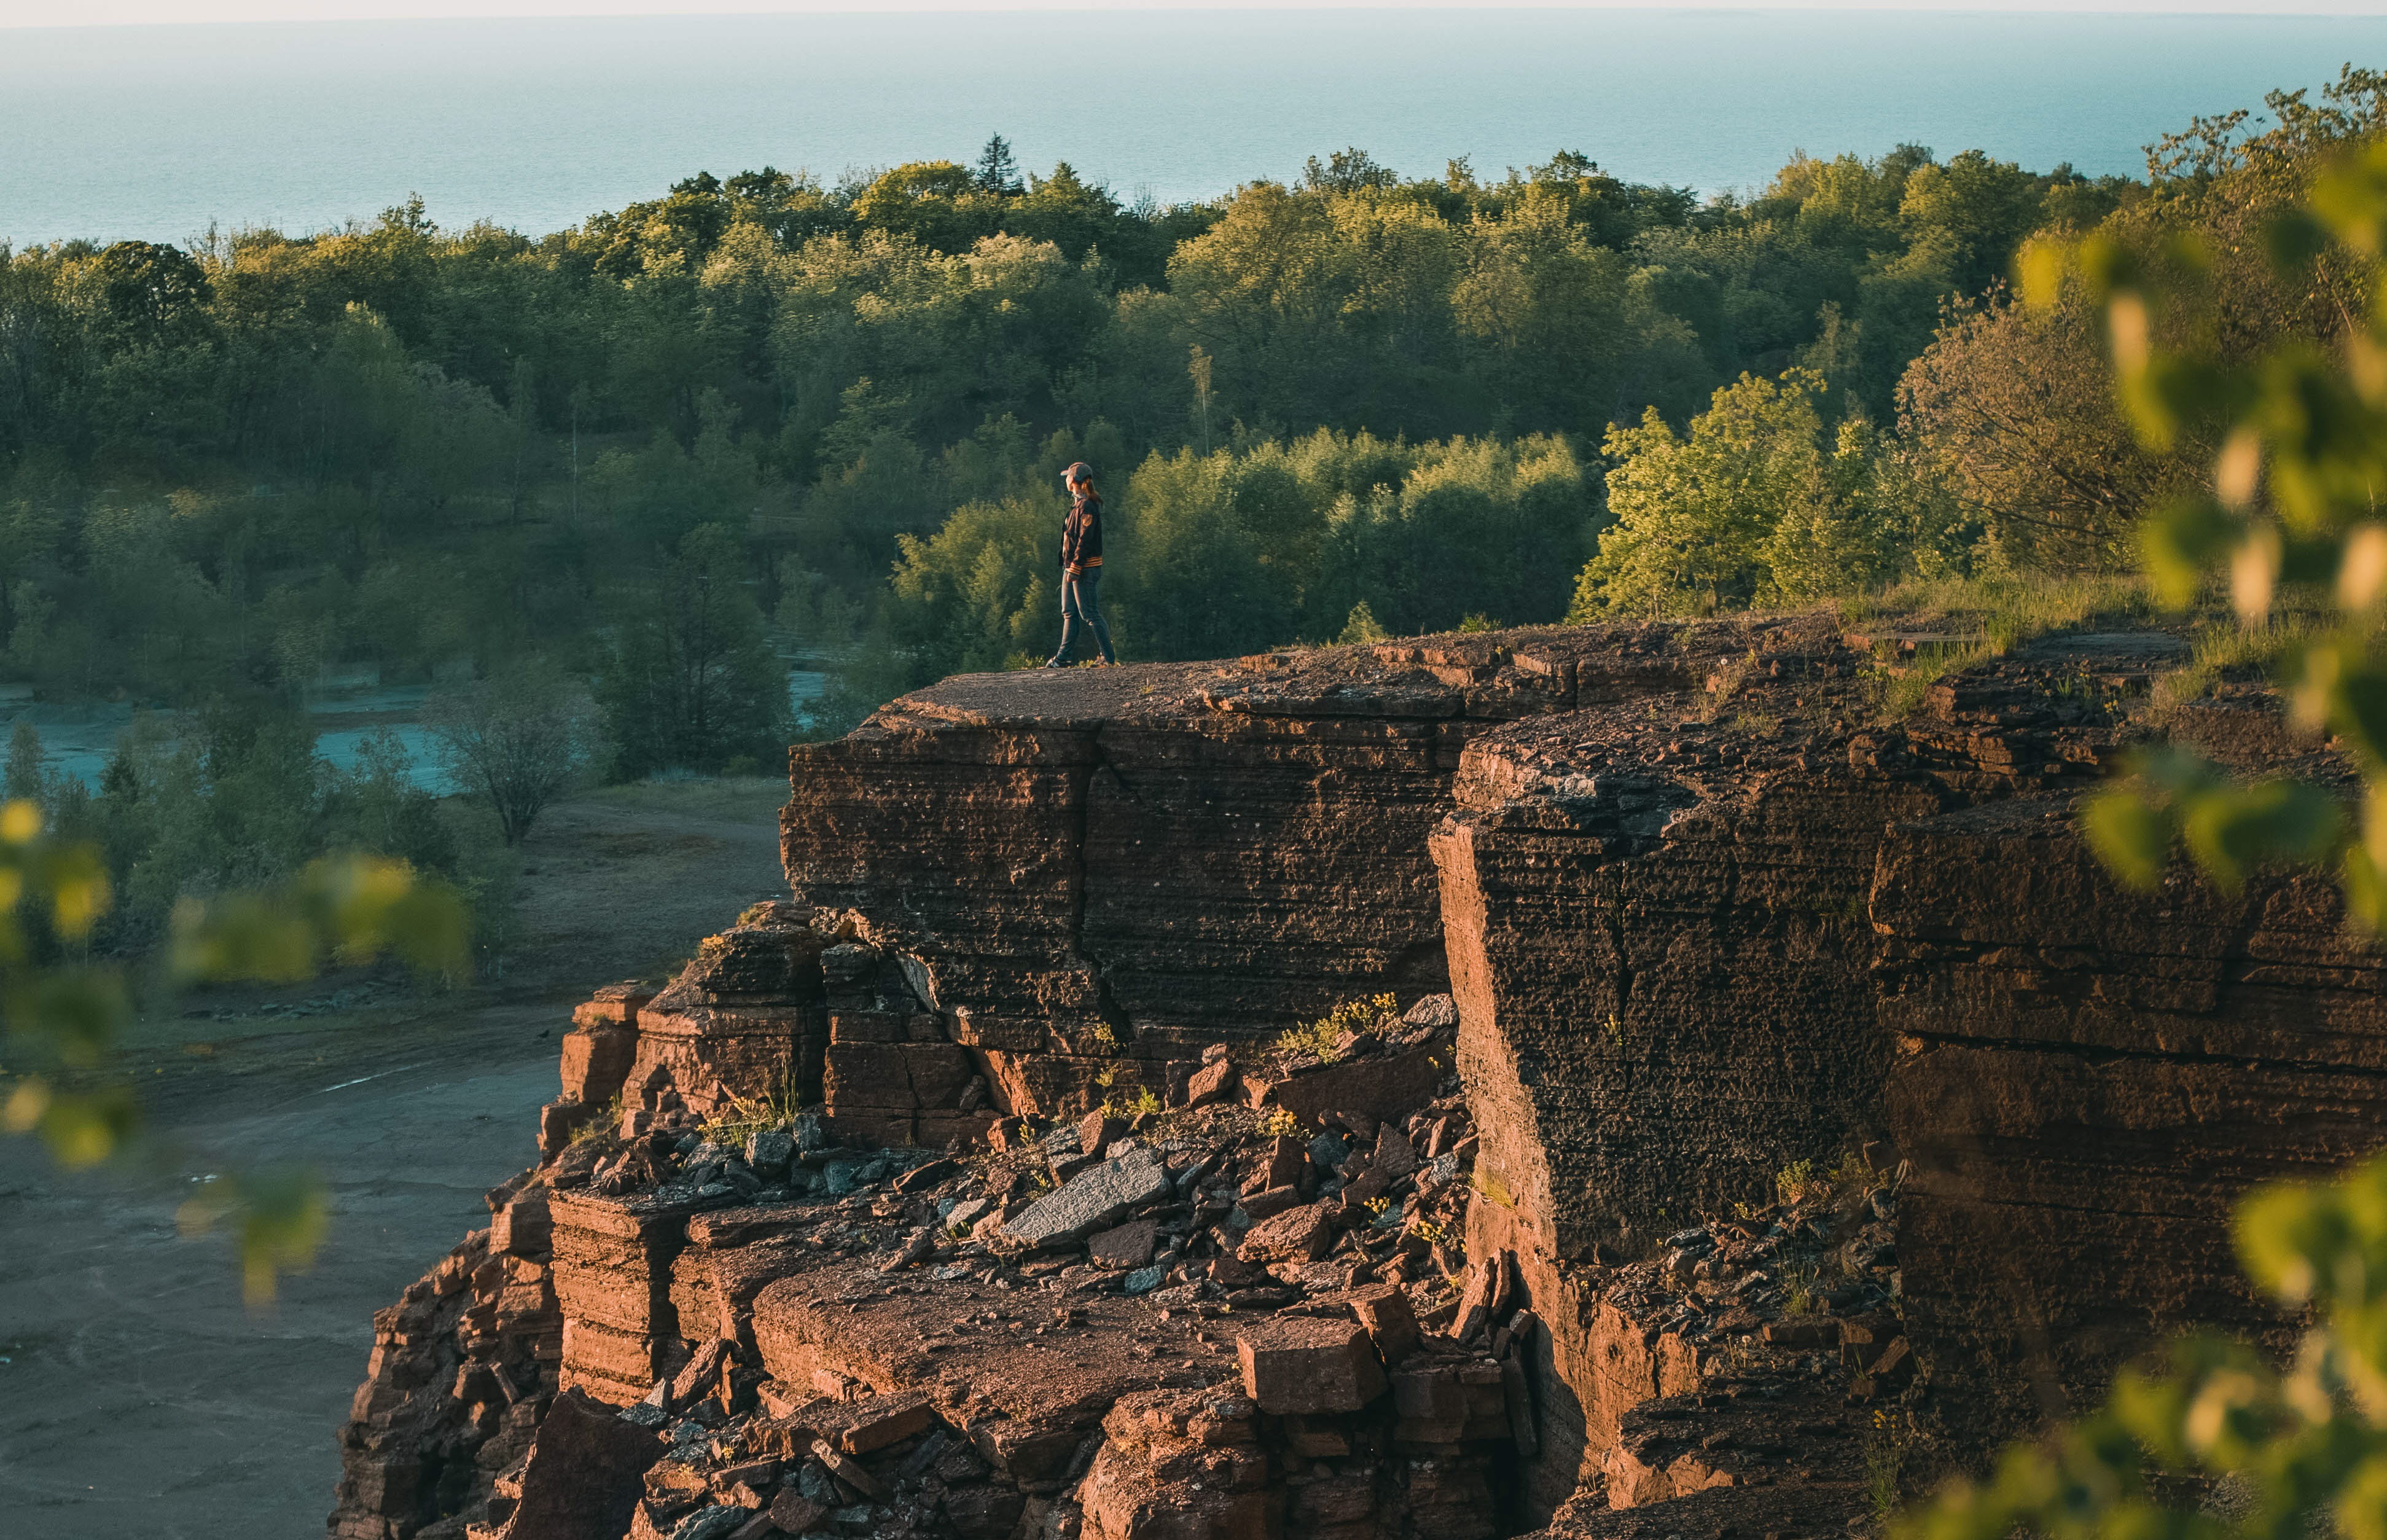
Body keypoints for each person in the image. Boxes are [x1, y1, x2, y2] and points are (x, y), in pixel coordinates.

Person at [1043, 461, 1115, 667]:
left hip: (1084, 568)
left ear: (1073, 480)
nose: (1066, 480)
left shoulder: (1087, 506)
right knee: (1070, 612)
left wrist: (1075, 567)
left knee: (1090, 613)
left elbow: (1085, 540)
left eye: (1068, 476)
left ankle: (1108, 659)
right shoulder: (1078, 505)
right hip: (1071, 566)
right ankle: (1063, 659)